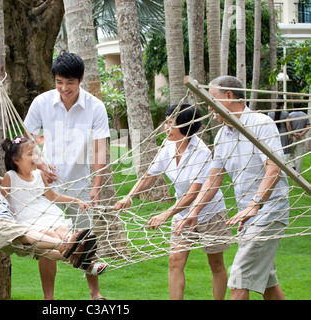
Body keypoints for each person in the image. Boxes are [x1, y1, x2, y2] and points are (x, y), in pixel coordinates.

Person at [179, 75, 289, 300]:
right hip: (247, 218)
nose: (210, 108)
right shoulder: (222, 135)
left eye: (212, 100)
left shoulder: (261, 123)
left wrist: (254, 205)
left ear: (229, 97)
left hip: (268, 214)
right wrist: (194, 212)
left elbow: (274, 169)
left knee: (238, 280)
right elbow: (214, 178)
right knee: (269, 285)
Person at [114, 103, 231, 300]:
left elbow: (194, 193)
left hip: (210, 212)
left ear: (186, 128)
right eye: (166, 122)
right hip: (182, 213)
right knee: (174, 260)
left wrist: (167, 214)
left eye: (171, 123)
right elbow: (149, 176)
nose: (165, 127)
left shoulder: (201, 152)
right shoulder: (167, 146)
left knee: (216, 264)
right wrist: (129, 196)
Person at [23, 52, 110, 300]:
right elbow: (26, 140)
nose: (64, 88)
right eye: (59, 82)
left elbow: (100, 149)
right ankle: (48, 299)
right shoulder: (41, 102)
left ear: (81, 79)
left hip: (81, 185)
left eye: (69, 83)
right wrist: (39, 164)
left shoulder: (95, 106)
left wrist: (95, 187)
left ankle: (95, 294)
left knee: (86, 239)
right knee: (46, 242)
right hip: (48, 186)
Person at [0, 145, 99, 270]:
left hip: (11, 226)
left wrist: (75, 200)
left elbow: (43, 196)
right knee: (32, 234)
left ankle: (80, 260)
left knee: (42, 250)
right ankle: (66, 244)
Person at [0, 137, 108, 278]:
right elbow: (0, 201)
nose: (35, 157)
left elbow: (52, 196)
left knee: (65, 232)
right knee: (51, 237)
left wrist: (76, 200)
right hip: (27, 218)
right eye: (30, 154)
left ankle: (81, 256)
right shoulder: (10, 177)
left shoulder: (38, 174)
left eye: (36, 154)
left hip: (46, 212)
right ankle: (87, 264)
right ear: (16, 160)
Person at [288, 102, 310, 173]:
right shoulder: (304, 115)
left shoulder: (290, 115)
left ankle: (292, 166)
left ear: (293, 106)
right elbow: (308, 126)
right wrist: (301, 134)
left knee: (290, 153)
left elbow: (288, 126)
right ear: (301, 106)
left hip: (292, 136)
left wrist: (294, 133)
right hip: (301, 137)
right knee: (299, 155)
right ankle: (298, 172)